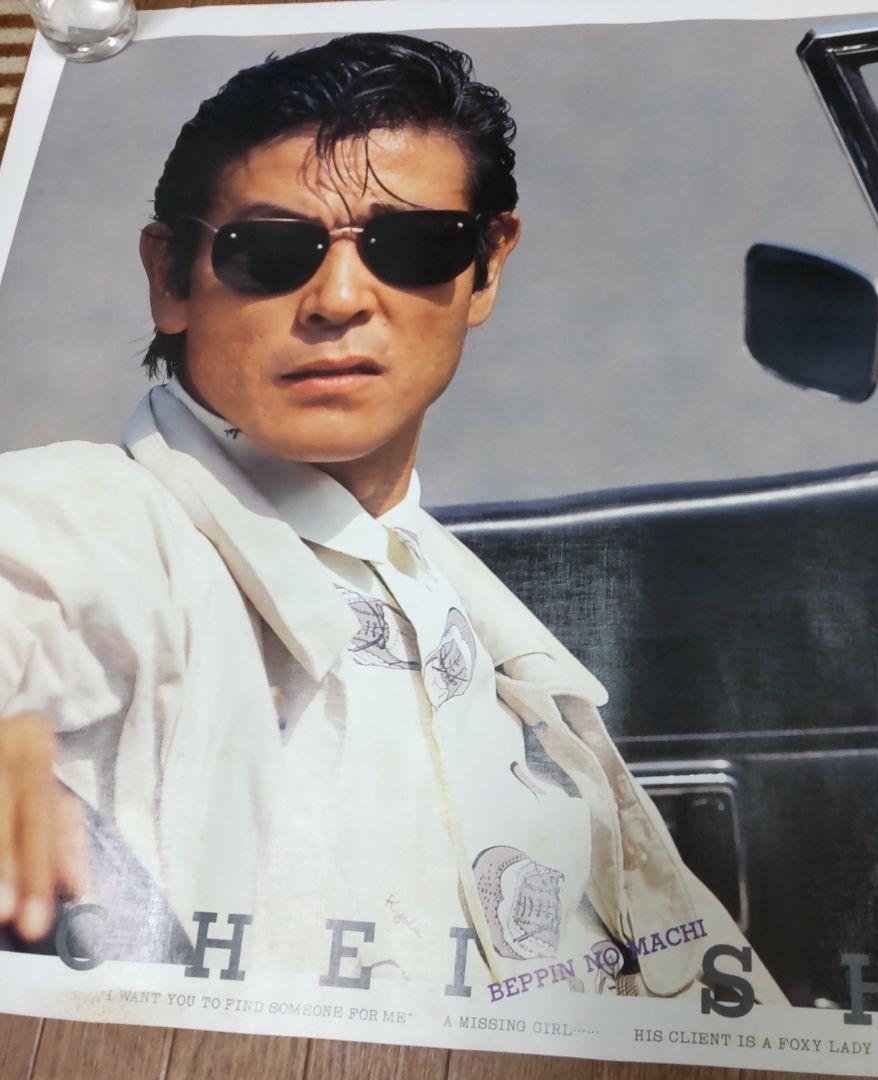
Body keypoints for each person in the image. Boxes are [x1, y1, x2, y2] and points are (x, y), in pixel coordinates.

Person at [0, 33, 785, 1001]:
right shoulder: (112, 523)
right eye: (270, 251)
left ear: (486, 266)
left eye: (412, 246)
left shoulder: (448, 594)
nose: (338, 300)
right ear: (171, 278)